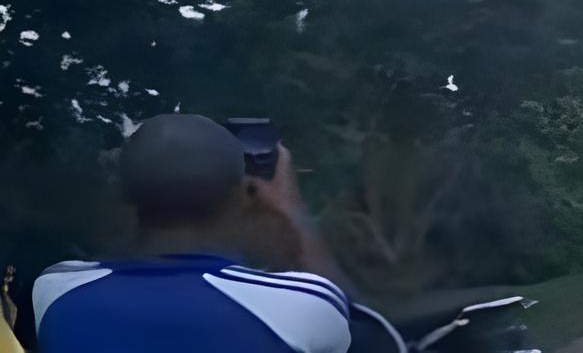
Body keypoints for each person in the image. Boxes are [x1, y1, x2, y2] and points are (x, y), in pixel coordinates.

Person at [31, 114, 353, 353]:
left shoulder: (55, 291)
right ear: (244, 195)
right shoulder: (305, 305)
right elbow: (355, 323)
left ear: (125, 197)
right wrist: (287, 206)